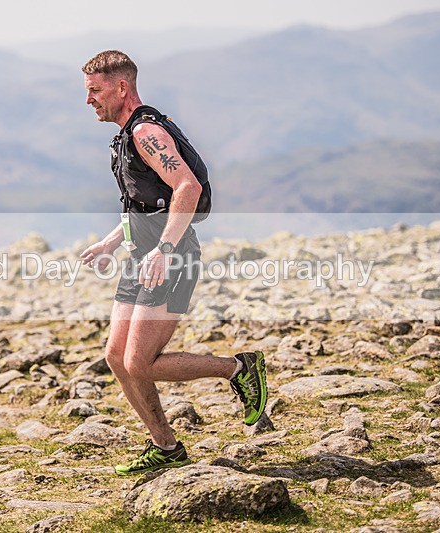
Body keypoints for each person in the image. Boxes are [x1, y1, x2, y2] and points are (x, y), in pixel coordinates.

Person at [79, 50, 268, 476]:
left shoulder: (146, 131)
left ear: (121, 87)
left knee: (141, 362)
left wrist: (164, 250)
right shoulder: (127, 135)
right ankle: (165, 446)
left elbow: (187, 187)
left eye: (94, 90)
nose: (88, 100)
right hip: (142, 258)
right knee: (116, 357)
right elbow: (146, 203)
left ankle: (239, 368)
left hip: (171, 258)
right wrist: (111, 242)